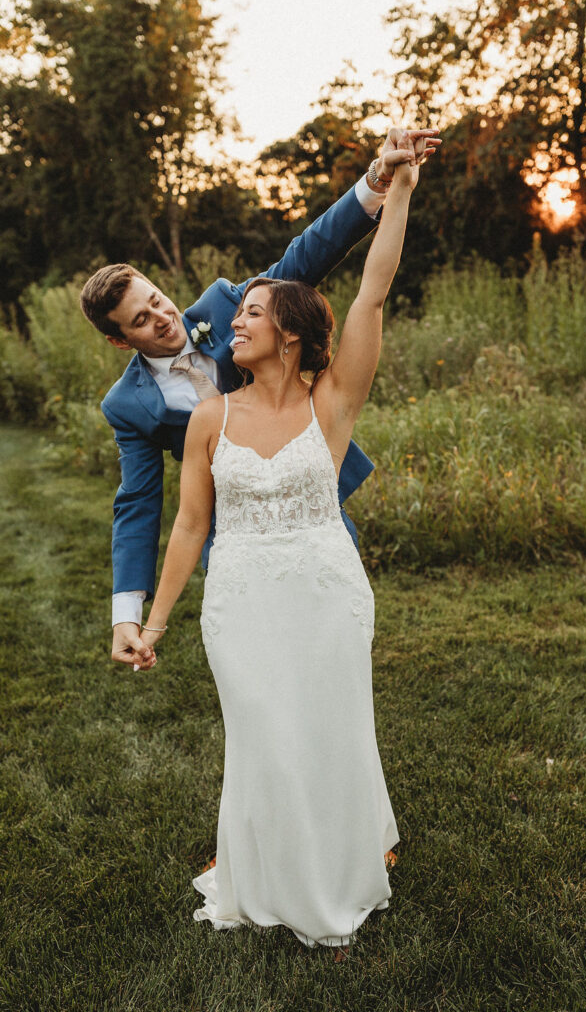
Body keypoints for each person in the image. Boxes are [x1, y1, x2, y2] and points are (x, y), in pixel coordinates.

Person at [136, 133, 434, 950]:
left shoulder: (331, 400)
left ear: (292, 333)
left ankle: (337, 869)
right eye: (239, 314)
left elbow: (371, 295)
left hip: (324, 591)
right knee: (264, 733)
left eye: (253, 314)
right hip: (239, 601)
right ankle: (264, 873)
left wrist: (398, 190)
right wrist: (154, 624)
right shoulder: (209, 417)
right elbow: (190, 525)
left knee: (329, 728)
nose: (232, 322)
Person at [79, 128, 440, 671]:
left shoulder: (230, 305)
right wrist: (131, 615)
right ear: (118, 339)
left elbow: (311, 257)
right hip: (238, 544)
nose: (163, 318)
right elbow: (141, 507)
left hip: (308, 504)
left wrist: (380, 180)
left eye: (157, 300)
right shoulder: (129, 406)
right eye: (141, 321)